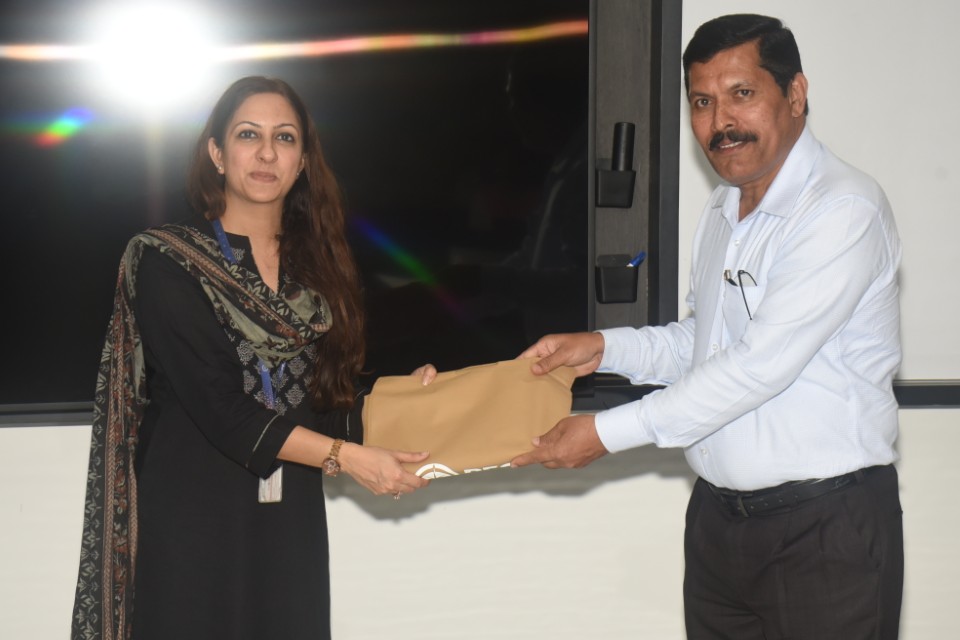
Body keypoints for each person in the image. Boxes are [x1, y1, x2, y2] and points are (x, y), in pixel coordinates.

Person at [513, 14, 903, 639]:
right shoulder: (725, 206)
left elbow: (757, 367)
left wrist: (606, 433)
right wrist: (604, 348)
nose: (721, 121)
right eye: (702, 102)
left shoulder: (841, 208)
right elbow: (701, 344)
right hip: (720, 526)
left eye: (742, 94)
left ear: (795, 94)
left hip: (824, 528)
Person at [71, 76, 432, 640]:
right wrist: (346, 458)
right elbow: (222, 408)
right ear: (217, 154)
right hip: (192, 523)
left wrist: (406, 400)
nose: (266, 153)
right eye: (248, 135)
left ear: (303, 161)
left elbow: (325, 406)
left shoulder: (319, 272)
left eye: (284, 138)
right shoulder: (168, 262)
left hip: (288, 527)